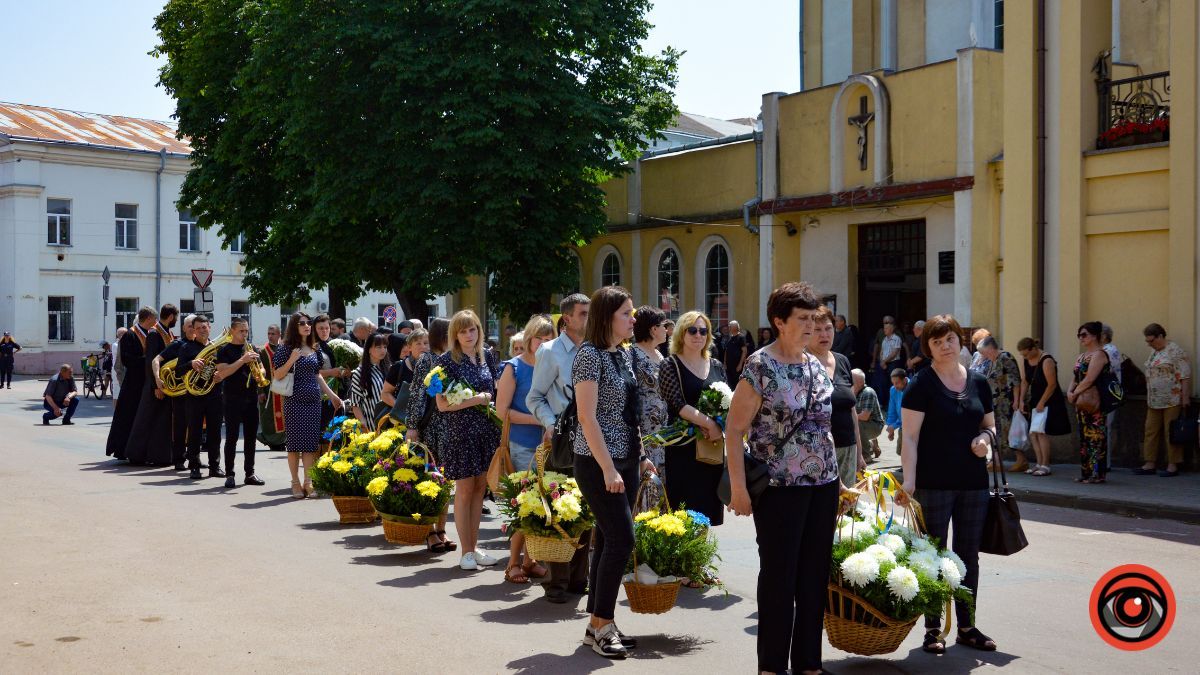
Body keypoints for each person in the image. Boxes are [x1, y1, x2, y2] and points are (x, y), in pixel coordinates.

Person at [724, 281, 839, 675]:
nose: (811, 326)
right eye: (803, 319)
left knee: (813, 577)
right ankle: (771, 666)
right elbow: (734, 429)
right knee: (779, 579)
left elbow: (825, 428)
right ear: (779, 321)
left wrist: (838, 480)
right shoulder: (760, 365)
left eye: (814, 318)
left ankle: (809, 663)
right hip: (778, 489)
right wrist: (738, 488)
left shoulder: (814, 363)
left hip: (822, 486)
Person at [894, 313, 998, 655]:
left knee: (968, 555)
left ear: (960, 340)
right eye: (936, 342)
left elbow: (991, 426)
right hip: (933, 484)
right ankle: (933, 629)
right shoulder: (920, 384)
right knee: (934, 557)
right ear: (929, 348)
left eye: (949, 338)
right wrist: (908, 481)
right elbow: (909, 438)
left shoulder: (980, 381)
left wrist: (985, 439)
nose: (945, 346)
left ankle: (967, 627)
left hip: (973, 483)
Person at [571, 286, 656, 659]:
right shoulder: (588, 356)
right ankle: (603, 623)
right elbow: (586, 418)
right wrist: (607, 467)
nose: (632, 319)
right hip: (597, 462)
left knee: (608, 541)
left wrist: (640, 456)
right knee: (622, 539)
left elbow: (630, 410)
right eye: (626, 313)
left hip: (626, 460)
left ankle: (598, 625)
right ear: (607, 317)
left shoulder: (622, 355)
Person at [434, 310, 501, 571]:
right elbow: (441, 405)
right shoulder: (445, 362)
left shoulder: (488, 357)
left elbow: (496, 391)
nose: (468, 335)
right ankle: (465, 552)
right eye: (463, 331)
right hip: (461, 433)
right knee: (463, 492)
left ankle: (474, 548)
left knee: (479, 492)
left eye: (472, 329)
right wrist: (478, 400)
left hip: (485, 433)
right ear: (455, 335)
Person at [495, 314, 556, 584]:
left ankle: (531, 561)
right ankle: (513, 564)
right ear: (529, 340)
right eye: (538, 339)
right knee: (525, 506)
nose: (543, 344)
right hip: (522, 445)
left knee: (544, 506)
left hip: (551, 446)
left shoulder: (555, 365)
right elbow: (501, 411)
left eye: (548, 338)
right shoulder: (514, 368)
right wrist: (539, 418)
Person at [658, 310, 727, 541]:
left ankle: (698, 563)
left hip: (710, 446)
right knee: (684, 508)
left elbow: (728, 401)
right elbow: (677, 404)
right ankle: (683, 568)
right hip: (683, 447)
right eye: (693, 330)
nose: (698, 335)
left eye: (703, 331)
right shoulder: (671, 364)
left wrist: (721, 426)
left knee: (706, 508)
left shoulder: (716, 364)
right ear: (681, 333)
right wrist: (709, 423)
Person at [274, 312, 344, 498]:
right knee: (295, 445)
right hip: (294, 400)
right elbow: (278, 375)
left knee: (310, 445)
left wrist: (331, 395)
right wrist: (291, 360)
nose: (306, 326)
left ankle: (308, 482)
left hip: (313, 400)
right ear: (294, 327)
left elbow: (317, 374)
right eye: (302, 323)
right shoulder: (286, 348)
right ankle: (295, 483)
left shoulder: (315, 348)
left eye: (308, 323)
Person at [405, 318, 456, 552]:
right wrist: (412, 426)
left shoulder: (456, 358)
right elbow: (416, 394)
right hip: (430, 427)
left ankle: (442, 529)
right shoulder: (427, 359)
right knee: (428, 478)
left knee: (445, 481)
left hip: (451, 426)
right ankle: (429, 531)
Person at [810, 307, 864, 489]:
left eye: (828, 328)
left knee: (847, 511)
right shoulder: (802, 363)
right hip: (817, 452)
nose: (824, 335)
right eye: (817, 330)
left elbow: (851, 409)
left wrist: (859, 453)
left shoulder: (842, 360)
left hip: (848, 447)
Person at [214, 317, 267, 488]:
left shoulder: (252, 349)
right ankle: (229, 474)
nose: (245, 334)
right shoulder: (224, 350)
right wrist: (242, 361)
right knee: (231, 437)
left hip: (251, 398)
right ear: (232, 331)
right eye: (241, 331)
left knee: (251, 438)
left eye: (246, 331)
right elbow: (222, 372)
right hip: (232, 398)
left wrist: (261, 373)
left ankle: (249, 473)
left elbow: (263, 369)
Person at [125, 305, 180, 466]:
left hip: (163, 383)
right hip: (155, 384)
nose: (176, 320)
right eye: (176, 317)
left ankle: (158, 456)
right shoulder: (155, 334)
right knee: (146, 420)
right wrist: (156, 386)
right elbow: (151, 361)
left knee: (159, 422)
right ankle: (136, 454)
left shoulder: (165, 332)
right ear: (171, 316)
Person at [1136, 323, 1191, 477]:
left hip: (1172, 398)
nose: (1149, 344)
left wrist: (1185, 397)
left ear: (1160, 336)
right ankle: (1149, 463)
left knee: (1170, 431)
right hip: (1154, 399)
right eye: (1147, 341)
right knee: (1150, 430)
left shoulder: (1175, 351)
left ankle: (1173, 464)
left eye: (1151, 340)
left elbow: (1185, 375)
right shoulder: (1154, 352)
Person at [175, 315, 225, 480]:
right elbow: (178, 371)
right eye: (198, 328)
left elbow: (225, 368)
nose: (202, 330)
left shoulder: (217, 347)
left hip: (215, 395)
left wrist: (221, 374)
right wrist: (191, 364)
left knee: (215, 433)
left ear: (209, 328)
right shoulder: (186, 348)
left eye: (205, 327)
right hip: (194, 396)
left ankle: (214, 466)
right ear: (194, 331)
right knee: (195, 433)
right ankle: (194, 466)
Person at [106, 307, 157, 460]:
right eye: (154, 319)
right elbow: (127, 359)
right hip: (133, 383)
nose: (155, 323)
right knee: (128, 417)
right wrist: (148, 361)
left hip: (143, 381)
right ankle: (123, 450)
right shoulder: (130, 334)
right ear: (148, 319)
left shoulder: (148, 333)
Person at [630, 306, 670, 500]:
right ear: (653, 329)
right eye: (664, 326)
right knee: (646, 484)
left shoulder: (659, 354)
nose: (667, 330)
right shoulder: (633, 354)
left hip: (661, 430)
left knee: (660, 483)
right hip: (645, 431)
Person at [1016, 337, 1070, 477]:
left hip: (1049, 400)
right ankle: (1039, 464)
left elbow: (1052, 384)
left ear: (1033, 349)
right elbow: (1025, 381)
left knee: (1041, 432)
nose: (1024, 357)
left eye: (1026, 354)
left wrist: (1042, 402)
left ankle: (1046, 465)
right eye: (1022, 355)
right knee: (1033, 433)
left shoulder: (1046, 360)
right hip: (1035, 400)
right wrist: (1021, 400)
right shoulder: (1025, 359)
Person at [1067, 322, 1110, 484]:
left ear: (1095, 335)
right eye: (1079, 335)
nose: (1081, 338)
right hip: (1081, 402)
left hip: (1094, 403)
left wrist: (1075, 393)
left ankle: (1098, 474)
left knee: (1096, 437)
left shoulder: (1099, 354)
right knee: (1084, 437)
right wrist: (1070, 392)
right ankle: (1086, 472)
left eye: (1084, 335)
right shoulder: (1082, 356)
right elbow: (1075, 376)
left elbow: (1090, 378)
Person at [977, 336, 1028, 472]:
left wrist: (1017, 401)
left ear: (991, 348)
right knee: (998, 432)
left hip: (1007, 402)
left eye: (985, 352)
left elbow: (1015, 380)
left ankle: (1021, 459)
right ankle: (997, 461)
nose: (984, 355)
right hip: (995, 403)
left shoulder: (1006, 357)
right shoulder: (992, 360)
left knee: (1009, 431)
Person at [154, 314, 197, 469]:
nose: (193, 329)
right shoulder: (177, 344)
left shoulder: (204, 345)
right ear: (184, 328)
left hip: (198, 392)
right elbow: (156, 360)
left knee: (196, 428)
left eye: (195, 326)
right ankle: (178, 459)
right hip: (180, 393)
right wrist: (158, 380)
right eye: (190, 326)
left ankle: (194, 458)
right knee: (180, 427)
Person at [383, 328, 428, 426]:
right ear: (409, 347)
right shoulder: (398, 367)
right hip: (401, 422)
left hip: (427, 422)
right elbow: (385, 394)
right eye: (418, 343)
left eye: (426, 343)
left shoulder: (435, 367)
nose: (423, 347)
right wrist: (401, 409)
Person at [349, 333, 391, 431]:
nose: (383, 350)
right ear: (369, 349)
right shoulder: (359, 373)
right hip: (371, 425)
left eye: (385, 347)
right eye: (378, 347)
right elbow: (355, 404)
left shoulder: (390, 369)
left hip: (391, 422)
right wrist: (363, 423)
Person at [257, 324, 287, 452]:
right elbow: (258, 372)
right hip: (268, 390)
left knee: (285, 416)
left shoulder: (285, 349)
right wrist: (260, 391)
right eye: (269, 333)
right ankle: (271, 441)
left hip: (284, 389)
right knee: (268, 418)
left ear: (279, 335)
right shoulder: (263, 351)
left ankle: (282, 441)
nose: (270, 336)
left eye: (273, 334)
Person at [1101, 325, 1123, 470]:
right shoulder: (1105, 350)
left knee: (1104, 428)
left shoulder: (1109, 351)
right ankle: (1102, 462)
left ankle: (1104, 463)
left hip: (1107, 395)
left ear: (1103, 336)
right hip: (1106, 394)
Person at [852, 368, 884, 460]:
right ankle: (872, 444)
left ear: (858, 382)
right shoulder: (853, 391)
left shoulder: (868, 392)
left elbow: (864, 417)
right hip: (865, 424)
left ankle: (866, 455)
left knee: (855, 423)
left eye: (850, 379)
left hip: (875, 425)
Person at [875, 316, 902, 408]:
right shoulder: (884, 340)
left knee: (892, 384)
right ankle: (883, 403)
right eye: (884, 328)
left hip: (893, 363)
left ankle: (892, 405)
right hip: (884, 363)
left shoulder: (896, 339)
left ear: (891, 329)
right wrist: (882, 361)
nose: (884, 330)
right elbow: (881, 351)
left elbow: (894, 353)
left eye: (886, 329)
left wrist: (884, 361)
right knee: (883, 383)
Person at [886, 369, 907, 455]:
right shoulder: (893, 390)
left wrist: (894, 426)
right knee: (900, 451)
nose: (895, 386)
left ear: (905, 380)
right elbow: (892, 410)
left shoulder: (913, 388)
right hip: (903, 422)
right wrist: (890, 426)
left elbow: (906, 414)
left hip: (913, 422)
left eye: (897, 383)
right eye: (893, 383)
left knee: (905, 445)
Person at [723, 320, 748, 386]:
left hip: (737, 366)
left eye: (730, 326)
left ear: (735, 327)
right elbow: (726, 351)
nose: (729, 328)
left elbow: (744, 351)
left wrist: (740, 364)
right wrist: (725, 363)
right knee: (730, 383)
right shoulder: (730, 338)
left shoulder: (741, 337)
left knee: (737, 383)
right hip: (729, 366)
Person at [111, 326, 128, 405]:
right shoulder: (116, 345)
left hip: (121, 370)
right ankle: (116, 413)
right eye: (126, 334)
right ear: (121, 335)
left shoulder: (120, 344)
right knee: (117, 393)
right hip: (117, 371)